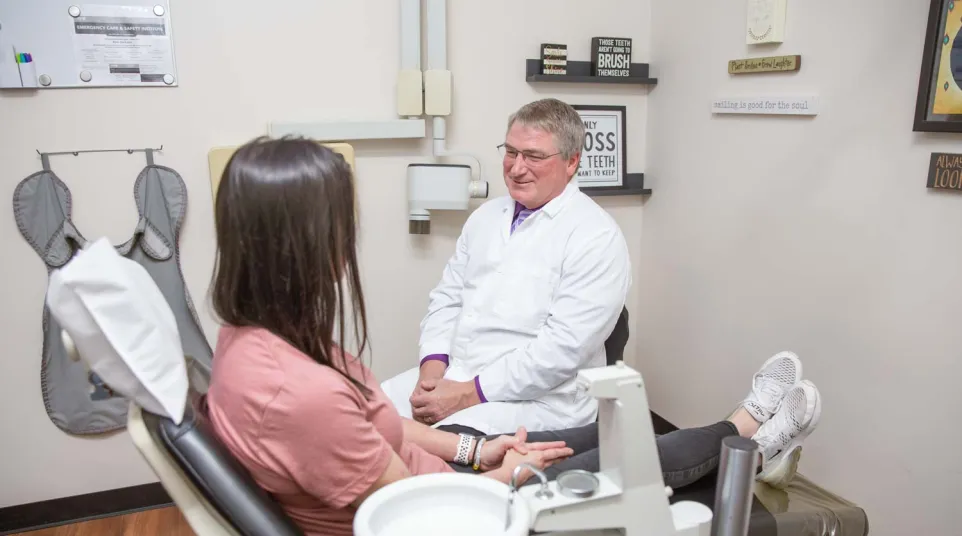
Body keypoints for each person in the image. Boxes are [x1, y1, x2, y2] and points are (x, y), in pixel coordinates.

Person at [205, 137, 823, 536]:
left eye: (537, 156)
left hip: (466, 449)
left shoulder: (250, 340)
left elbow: (552, 352)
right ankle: (751, 433)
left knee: (621, 432)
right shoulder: (300, 390)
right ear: (304, 243)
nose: (350, 241)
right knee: (635, 459)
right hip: (452, 512)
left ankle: (744, 435)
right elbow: (424, 510)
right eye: (343, 224)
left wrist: (482, 449)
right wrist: (511, 471)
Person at [380, 98, 633, 435]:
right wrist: (432, 368)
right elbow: (447, 300)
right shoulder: (485, 217)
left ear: (572, 162)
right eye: (511, 152)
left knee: (436, 448)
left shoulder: (596, 237)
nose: (516, 168)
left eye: (534, 156)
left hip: (538, 401)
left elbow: (560, 351)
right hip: (456, 375)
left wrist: (468, 394)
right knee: (365, 412)